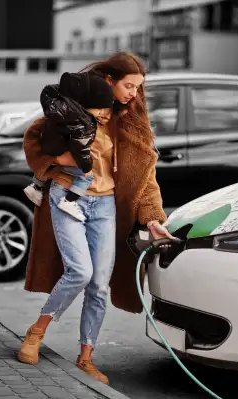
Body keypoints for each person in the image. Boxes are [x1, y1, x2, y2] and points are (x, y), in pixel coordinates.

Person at [19, 51, 174, 385]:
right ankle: (36, 333)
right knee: (79, 271)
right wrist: (55, 159)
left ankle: (86, 357)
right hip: (66, 197)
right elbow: (34, 140)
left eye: (138, 87)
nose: (134, 92)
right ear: (109, 81)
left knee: (99, 285)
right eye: (128, 85)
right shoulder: (76, 105)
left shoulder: (133, 122)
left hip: (105, 208)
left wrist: (152, 219)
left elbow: (145, 178)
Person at [23, 72, 114, 222]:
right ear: (88, 104)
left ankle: (35, 186)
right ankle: (70, 201)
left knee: (50, 167)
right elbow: (81, 148)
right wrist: (87, 166)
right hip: (64, 155)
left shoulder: (59, 107)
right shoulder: (82, 123)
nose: (101, 113)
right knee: (86, 177)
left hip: (50, 146)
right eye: (99, 109)